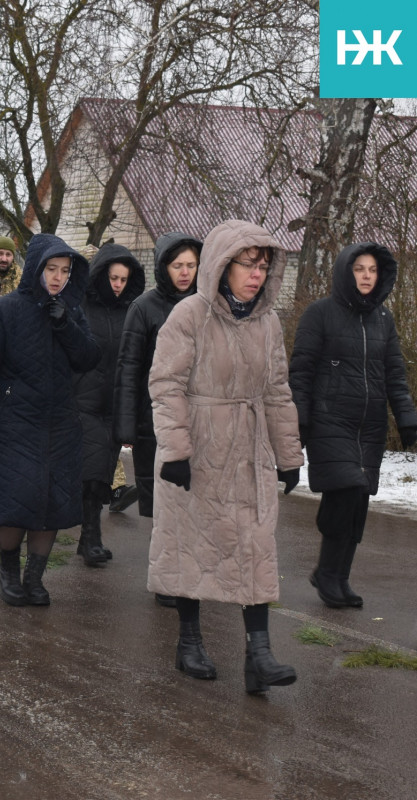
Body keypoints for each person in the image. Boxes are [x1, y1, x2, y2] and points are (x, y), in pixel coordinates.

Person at [148, 220, 303, 695]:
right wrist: (175, 450)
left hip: (249, 452)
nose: (257, 274)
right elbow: (165, 383)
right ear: (222, 264)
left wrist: (288, 453)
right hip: (198, 447)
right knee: (192, 547)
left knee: (256, 547)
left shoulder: (269, 322)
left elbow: (277, 390)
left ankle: (259, 654)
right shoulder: (189, 315)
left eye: (263, 265)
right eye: (247, 264)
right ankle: (189, 642)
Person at [0, 234, 99, 604]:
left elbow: (88, 359)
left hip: (60, 423)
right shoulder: (5, 310)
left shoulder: (71, 310)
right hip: (10, 422)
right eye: (51, 269)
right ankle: (8, 573)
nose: (58, 278)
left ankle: (35, 578)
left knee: (51, 502)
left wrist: (66, 325)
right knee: (19, 497)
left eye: (65, 271)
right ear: (36, 267)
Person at [289, 243, 417, 609]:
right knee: (343, 493)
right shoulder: (319, 314)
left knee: (360, 498)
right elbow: (300, 371)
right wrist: (300, 415)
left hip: (370, 424)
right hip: (331, 420)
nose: (365, 276)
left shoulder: (384, 320)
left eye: (372, 270)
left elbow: (395, 374)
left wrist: (406, 417)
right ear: (345, 271)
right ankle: (326, 572)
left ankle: (340, 577)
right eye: (358, 268)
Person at [113, 232, 201, 606]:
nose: (184, 272)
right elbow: (130, 367)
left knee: (197, 501)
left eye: (191, 265)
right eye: (177, 265)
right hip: (156, 420)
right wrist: (127, 424)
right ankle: (166, 578)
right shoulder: (144, 307)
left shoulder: (207, 305)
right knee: (163, 503)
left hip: (200, 418)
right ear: (164, 267)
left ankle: (192, 573)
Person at [73, 243, 146, 566]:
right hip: (83, 401)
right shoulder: (82, 305)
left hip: (115, 404)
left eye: (123, 279)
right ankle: (91, 537)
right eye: (113, 277)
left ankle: (89, 536)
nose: (118, 285)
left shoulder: (133, 310)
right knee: (90, 473)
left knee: (103, 474)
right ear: (101, 273)